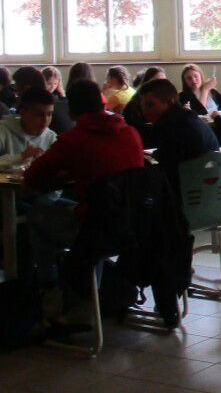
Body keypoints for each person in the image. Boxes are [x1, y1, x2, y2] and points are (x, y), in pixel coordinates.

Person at [23, 81, 144, 284]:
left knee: (37, 212)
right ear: (103, 105)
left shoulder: (74, 139)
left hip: (97, 229)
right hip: (135, 222)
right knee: (55, 205)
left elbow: (33, 178)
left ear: (71, 113)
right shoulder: (130, 133)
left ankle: (49, 286)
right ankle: (87, 289)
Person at [138, 77, 219, 195]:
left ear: (170, 102)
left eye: (150, 105)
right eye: (143, 106)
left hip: (186, 194)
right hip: (211, 192)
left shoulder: (170, 126)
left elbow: (169, 167)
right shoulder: (191, 119)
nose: (145, 112)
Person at [0, 88, 56, 170]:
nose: (45, 120)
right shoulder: (3, 130)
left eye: (49, 114)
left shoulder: (51, 137)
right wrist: (21, 156)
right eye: (38, 115)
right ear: (23, 113)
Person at [122, 66, 166, 145]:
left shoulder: (166, 101)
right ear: (147, 84)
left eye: (163, 82)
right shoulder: (134, 104)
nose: (161, 86)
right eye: (156, 81)